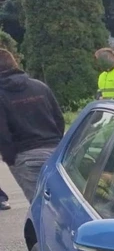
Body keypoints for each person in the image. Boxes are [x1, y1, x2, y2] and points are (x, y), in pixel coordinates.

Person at [0, 49, 65, 202]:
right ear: (14, 63)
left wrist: (10, 158)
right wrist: (56, 143)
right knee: (62, 204)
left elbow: (2, 132)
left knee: (40, 207)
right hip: (55, 152)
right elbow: (59, 118)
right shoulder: (40, 86)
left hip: (25, 156)